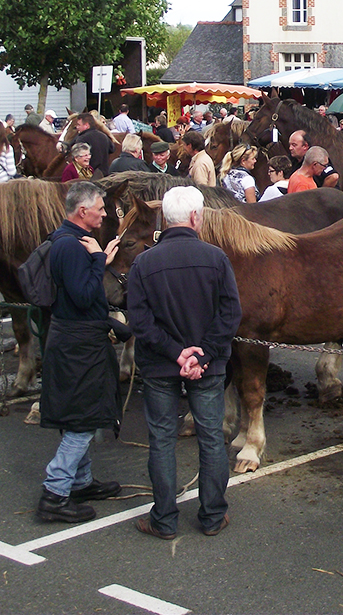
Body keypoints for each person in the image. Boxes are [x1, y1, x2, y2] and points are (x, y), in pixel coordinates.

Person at [126, 186, 241, 540]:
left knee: (161, 439)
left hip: (161, 366)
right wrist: (202, 353)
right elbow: (230, 313)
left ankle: (164, 519)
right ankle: (211, 515)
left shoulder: (143, 263)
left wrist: (175, 352)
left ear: (165, 220)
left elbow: (140, 321)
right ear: (195, 218)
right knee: (211, 438)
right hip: (208, 367)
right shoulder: (217, 258)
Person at [37, 181, 127, 523]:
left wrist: (99, 258)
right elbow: (85, 296)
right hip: (78, 345)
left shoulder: (67, 241)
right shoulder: (74, 248)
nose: (105, 214)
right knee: (83, 420)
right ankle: (55, 491)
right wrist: (98, 260)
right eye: (101, 209)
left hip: (72, 339)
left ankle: (81, 481)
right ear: (82, 211)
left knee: (81, 415)